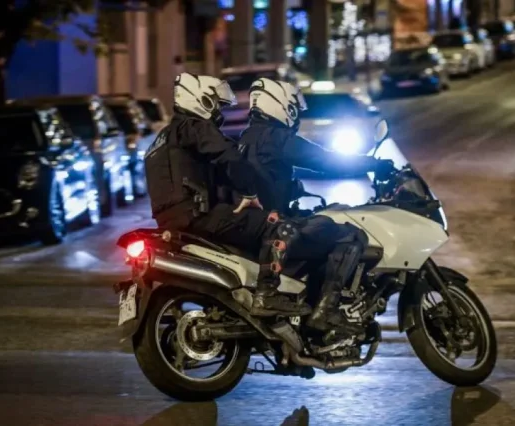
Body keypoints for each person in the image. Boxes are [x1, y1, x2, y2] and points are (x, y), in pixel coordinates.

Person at [144, 72, 311, 317]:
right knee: (276, 226)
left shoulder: (163, 137)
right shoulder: (194, 127)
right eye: (216, 105)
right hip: (199, 216)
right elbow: (230, 157)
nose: (218, 113)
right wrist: (249, 191)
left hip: (170, 220)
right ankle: (267, 294)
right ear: (201, 100)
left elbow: (206, 173)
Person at [236, 78, 394, 334]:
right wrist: (373, 164)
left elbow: (264, 177)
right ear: (278, 105)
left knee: (319, 225)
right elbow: (324, 160)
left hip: (262, 223)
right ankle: (325, 311)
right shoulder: (276, 137)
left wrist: (293, 189)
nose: (295, 116)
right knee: (351, 236)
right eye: (292, 108)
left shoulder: (248, 136)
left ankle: (308, 302)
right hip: (274, 227)